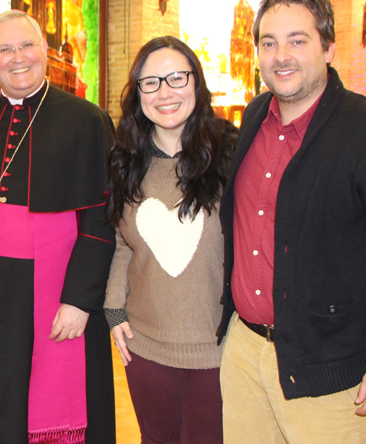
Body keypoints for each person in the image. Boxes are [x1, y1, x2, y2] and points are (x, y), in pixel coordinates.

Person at [217, 0, 366, 443]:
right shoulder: (254, 117)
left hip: (327, 369)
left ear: (328, 48)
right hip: (245, 353)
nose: (281, 56)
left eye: (298, 40)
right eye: (269, 43)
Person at [0, 10, 116, 443]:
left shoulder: (87, 121)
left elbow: (101, 220)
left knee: (47, 397)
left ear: (45, 51)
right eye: (4, 49)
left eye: (26, 46)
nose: (17, 57)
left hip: (55, 290)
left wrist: (79, 299)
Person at [105, 36, 237, 443]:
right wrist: (114, 309)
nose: (165, 92)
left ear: (196, 82)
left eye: (177, 78)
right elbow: (123, 242)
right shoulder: (126, 161)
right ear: (137, 93)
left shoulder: (230, 153)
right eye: (151, 82)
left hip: (220, 347)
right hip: (146, 347)